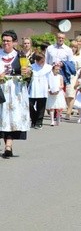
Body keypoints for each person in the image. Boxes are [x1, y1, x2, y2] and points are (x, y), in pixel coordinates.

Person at [0, 30, 31, 158]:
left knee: (13, 118)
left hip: (16, 92)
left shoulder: (20, 56)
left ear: (14, 43)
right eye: (4, 40)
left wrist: (27, 73)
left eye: (8, 41)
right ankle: (8, 146)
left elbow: (29, 73)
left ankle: (8, 146)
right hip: (1, 90)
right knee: (2, 119)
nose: (5, 43)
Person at [28, 52, 52, 129]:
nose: (42, 63)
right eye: (41, 61)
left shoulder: (48, 67)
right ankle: (34, 119)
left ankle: (39, 122)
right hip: (33, 88)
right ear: (36, 61)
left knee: (41, 107)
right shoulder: (31, 67)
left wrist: (52, 88)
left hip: (43, 88)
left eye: (43, 61)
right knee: (30, 105)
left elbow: (51, 78)